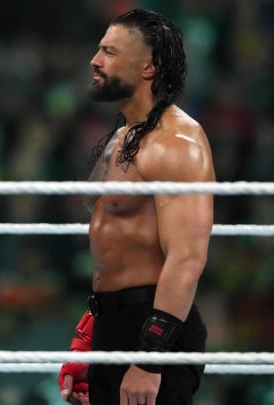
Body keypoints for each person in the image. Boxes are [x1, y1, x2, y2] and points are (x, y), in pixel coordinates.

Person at [59, 9, 214, 405]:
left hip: (153, 330)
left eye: (109, 52)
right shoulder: (120, 139)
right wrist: (87, 339)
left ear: (149, 67)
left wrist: (149, 360)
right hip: (112, 326)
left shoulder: (178, 142)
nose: (95, 61)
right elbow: (113, 251)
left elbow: (186, 258)